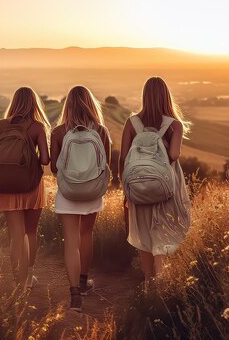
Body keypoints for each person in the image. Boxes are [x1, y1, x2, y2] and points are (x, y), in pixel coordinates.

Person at [119, 77, 191, 281]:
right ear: (166, 96)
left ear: (144, 96)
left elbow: (123, 157)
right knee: (162, 235)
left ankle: (149, 283)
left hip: (137, 186)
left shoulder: (132, 122)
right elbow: (175, 155)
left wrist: (127, 190)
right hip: (166, 187)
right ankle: (161, 287)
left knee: (144, 237)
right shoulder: (174, 124)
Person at [50, 86, 111, 312]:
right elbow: (106, 165)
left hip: (68, 193)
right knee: (86, 235)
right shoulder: (101, 131)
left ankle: (75, 294)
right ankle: (84, 283)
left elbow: (54, 167)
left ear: (67, 105)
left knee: (71, 241)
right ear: (90, 104)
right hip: (93, 191)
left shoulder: (57, 132)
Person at [0, 87, 50, 288]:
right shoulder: (37, 127)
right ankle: (28, 276)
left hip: (6, 187)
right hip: (31, 186)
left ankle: (17, 278)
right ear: (34, 104)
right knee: (30, 232)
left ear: (13, 102)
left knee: (16, 234)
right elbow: (45, 159)